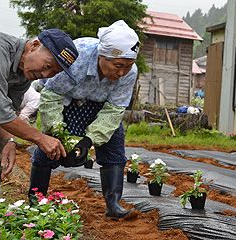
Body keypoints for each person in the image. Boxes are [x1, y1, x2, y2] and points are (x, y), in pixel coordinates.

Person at [29, 20, 140, 220]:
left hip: (101, 104)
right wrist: (58, 133)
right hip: (65, 100)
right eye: (118, 65)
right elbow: (51, 96)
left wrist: (88, 140)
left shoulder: (130, 73)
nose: (122, 72)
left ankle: (113, 205)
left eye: (128, 66)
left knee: (114, 148)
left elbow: (114, 110)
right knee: (48, 149)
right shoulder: (77, 56)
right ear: (101, 55)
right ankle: (36, 201)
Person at [0, 28, 78, 193]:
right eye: (47, 65)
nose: (45, 74)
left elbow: (6, 111)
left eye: (54, 72)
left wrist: (10, 141)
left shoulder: (23, 74)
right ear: (35, 45)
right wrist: (40, 138)